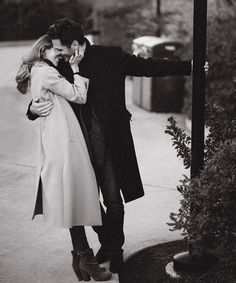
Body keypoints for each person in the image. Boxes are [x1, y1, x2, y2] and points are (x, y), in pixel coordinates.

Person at [27, 18, 193, 273]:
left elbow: (148, 66)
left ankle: (114, 249)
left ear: (74, 44)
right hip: (75, 146)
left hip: (110, 142)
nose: (58, 54)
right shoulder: (60, 65)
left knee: (113, 200)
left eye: (61, 49)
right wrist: (32, 110)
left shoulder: (110, 56)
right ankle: (107, 243)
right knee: (85, 201)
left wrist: (189, 67)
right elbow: (41, 89)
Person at [16, 34, 112, 281]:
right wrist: (77, 68)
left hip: (61, 142)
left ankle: (82, 256)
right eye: (56, 51)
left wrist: (32, 110)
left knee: (74, 199)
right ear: (44, 49)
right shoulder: (46, 72)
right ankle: (89, 256)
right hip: (65, 144)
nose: (60, 55)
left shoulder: (41, 70)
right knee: (80, 198)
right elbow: (79, 96)